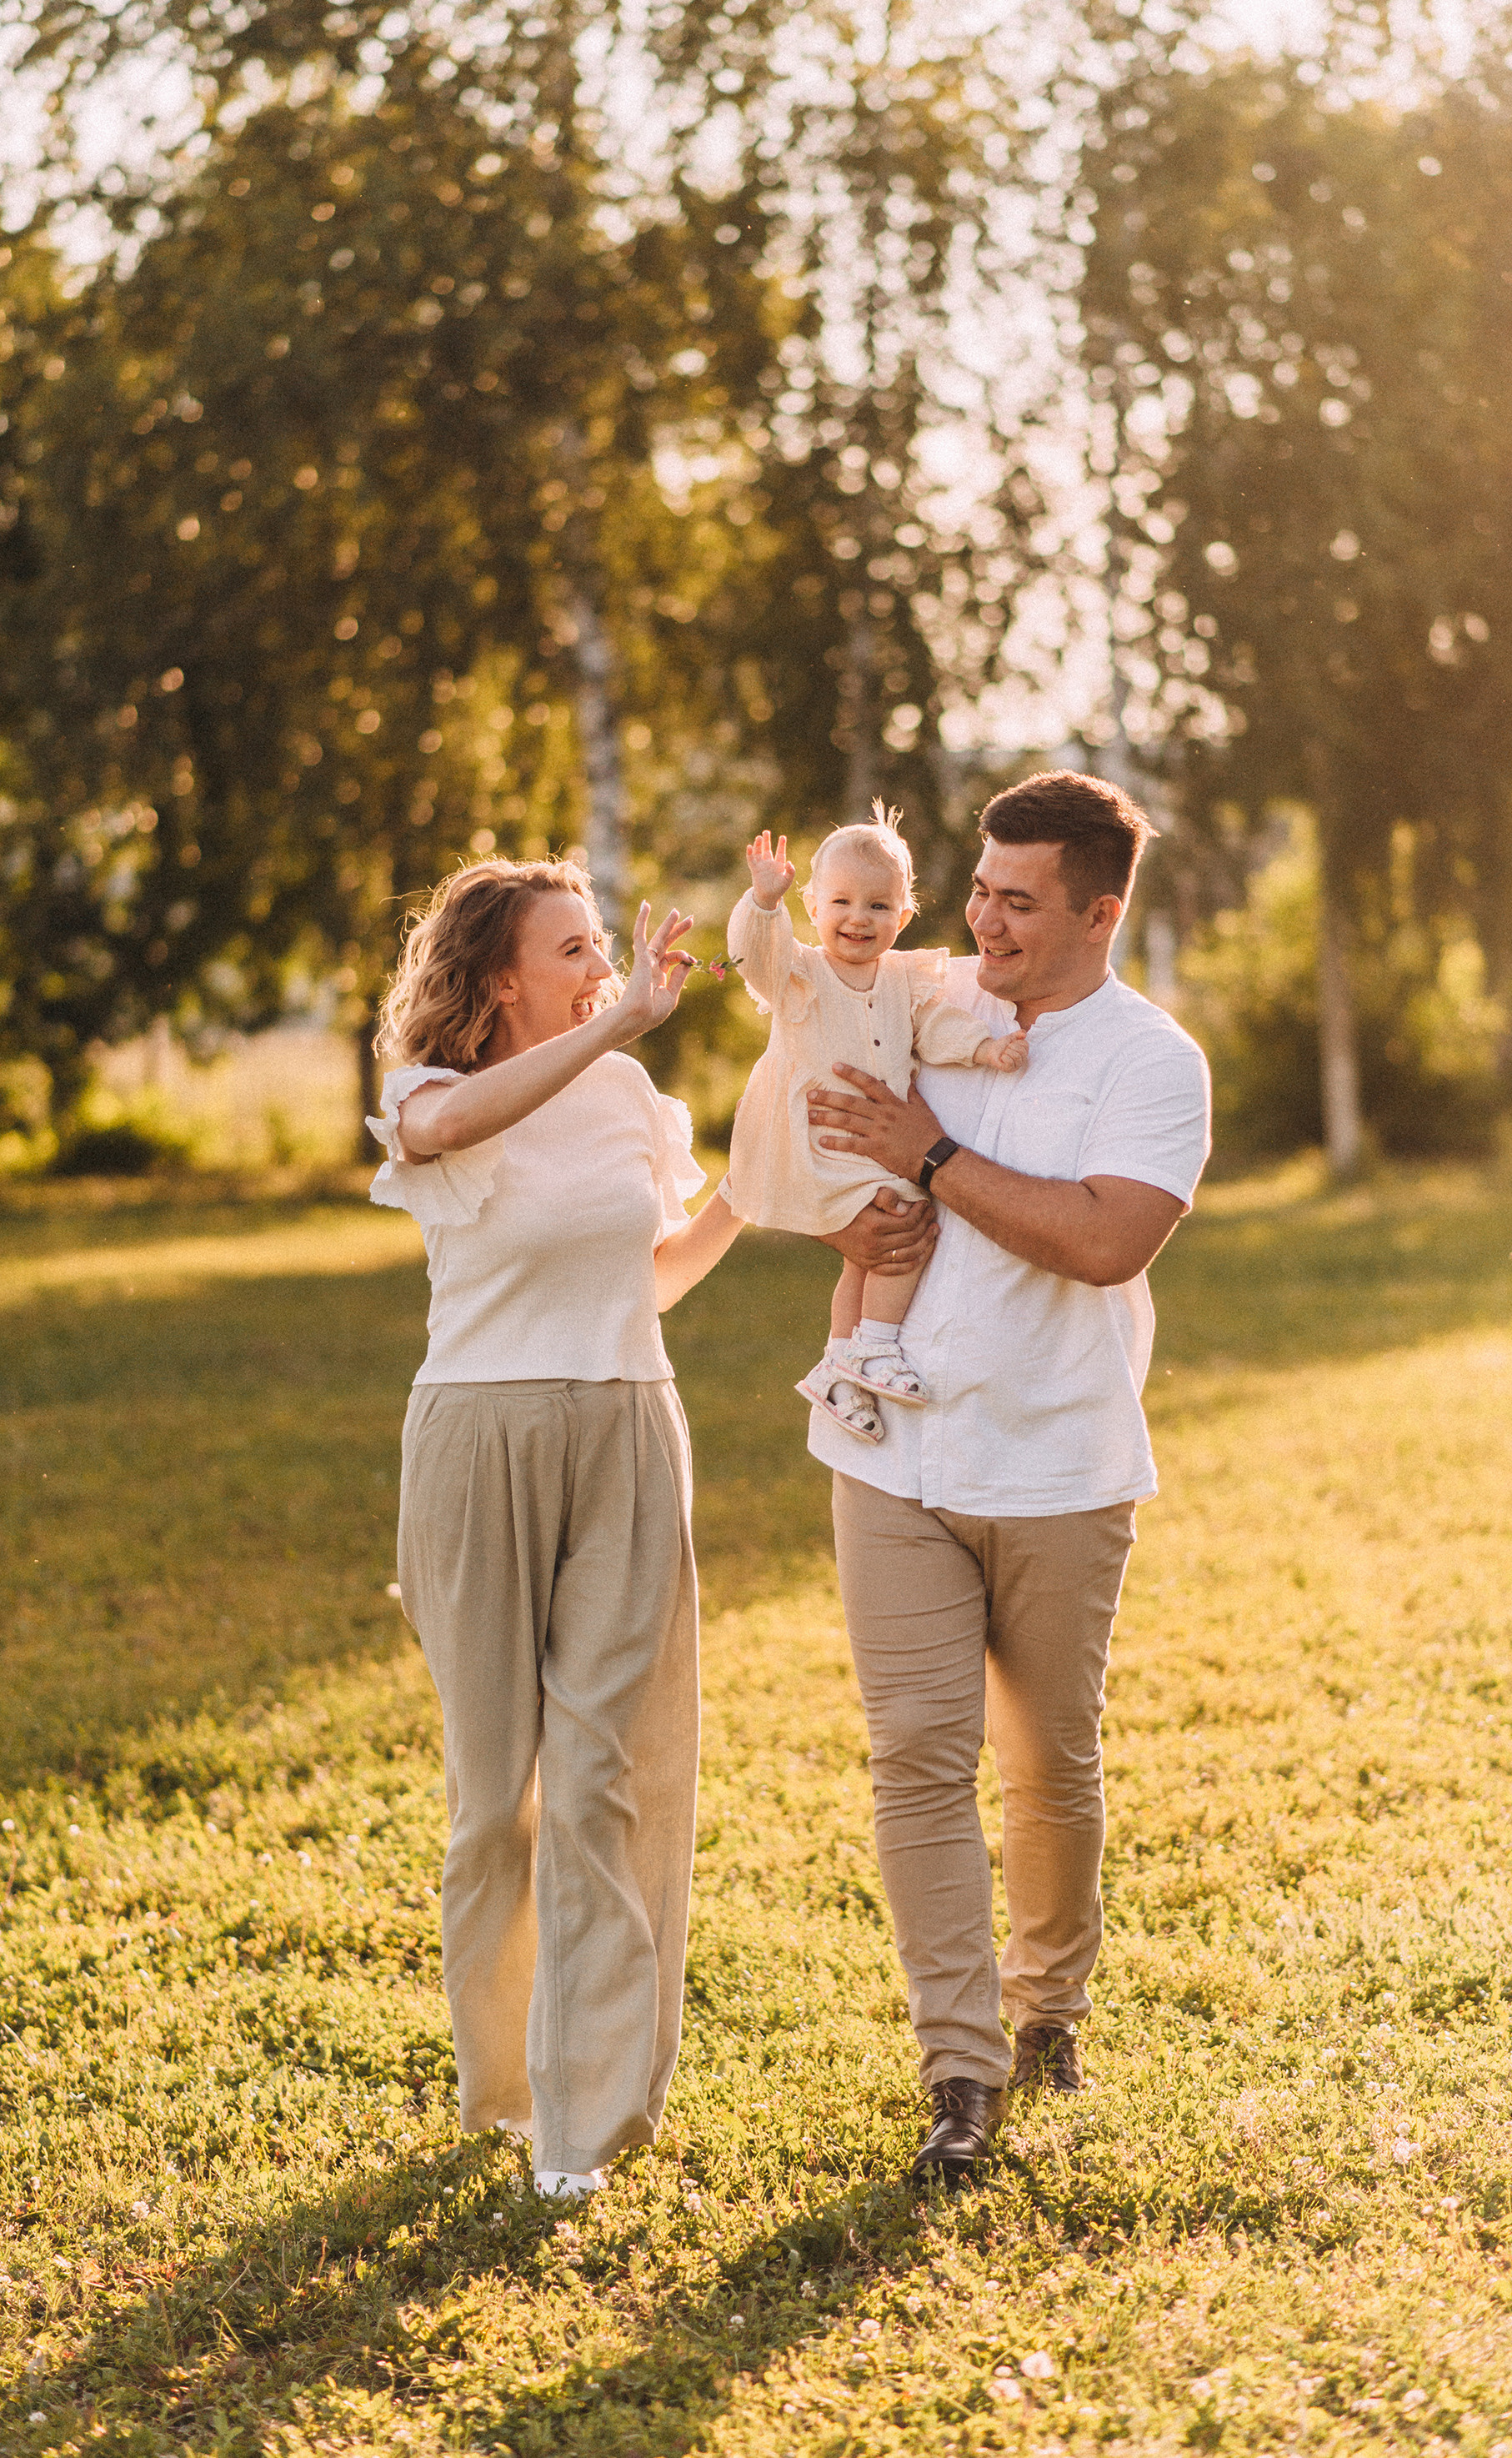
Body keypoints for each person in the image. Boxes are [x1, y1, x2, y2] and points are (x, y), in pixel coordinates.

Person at [802, 771, 1212, 2184]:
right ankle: (962, 2071)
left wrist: (929, 1151)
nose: (981, 918)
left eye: (1017, 900)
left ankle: (1049, 2013)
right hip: (890, 1449)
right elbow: (831, 1168)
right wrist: (853, 1214)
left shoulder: (1154, 1062)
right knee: (917, 1758)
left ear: (1100, 912)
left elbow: (1105, 1241)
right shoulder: (910, 1012)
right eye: (977, 888)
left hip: (1058, 1459)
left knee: (1048, 1762)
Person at [367, 855, 743, 2203]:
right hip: (477, 1441)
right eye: (574, 950)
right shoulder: (425, 1093)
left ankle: (586, 2120)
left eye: (604, 944)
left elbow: (649, 1276)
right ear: (500, 979)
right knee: (494, 1805)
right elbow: (446, 1136)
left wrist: (749, 1187)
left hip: (631, 1424)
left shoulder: (630, 1092)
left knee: (602, 1778)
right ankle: (505, 2098)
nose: (604, 967)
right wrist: (618, 1023)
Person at [704, 807, 1027, 1441]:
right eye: (842, 902)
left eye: (879, 906)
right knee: (905, 1218)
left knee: (871, 1250)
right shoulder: (800, 972)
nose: (858, 918)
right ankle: (876, 1345)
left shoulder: (904, 979)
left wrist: (985, 1049)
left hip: (870, 1145)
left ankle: (840, 1364)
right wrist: (763, 905)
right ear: (814, 906)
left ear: (903, 918)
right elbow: (753, 958)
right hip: (817, 1141)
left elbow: (934, 1030)